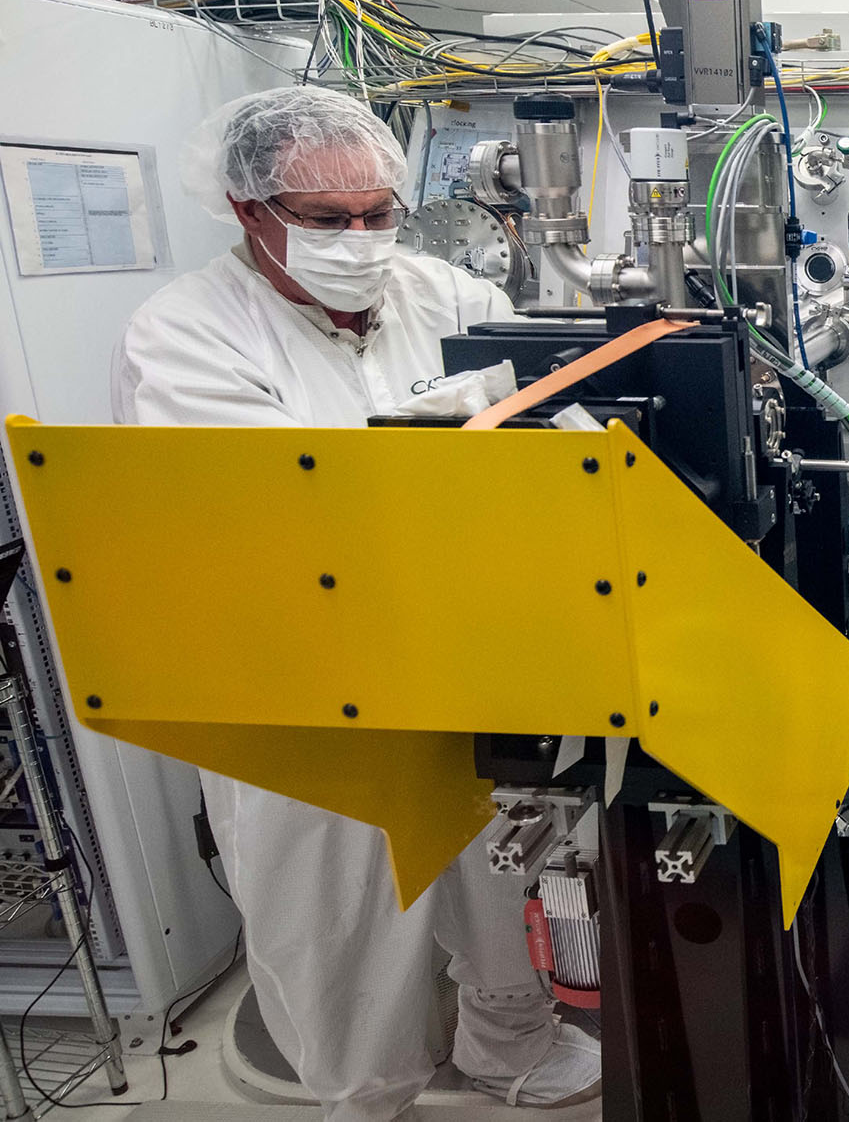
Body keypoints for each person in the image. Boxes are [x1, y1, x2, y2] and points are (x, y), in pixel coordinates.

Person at [111, 86, 599, 1119]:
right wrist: (439, 448)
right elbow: (274, 504)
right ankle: (365, 1092)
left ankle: (509, 1037)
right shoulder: (185, 333)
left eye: (377, 212)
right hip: (297, 678)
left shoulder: (440, 294)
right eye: (327, 220)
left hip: (450, 645)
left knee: (489, 855)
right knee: (332, 913)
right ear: (252, 212)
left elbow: (554, 413)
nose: (360, 238)